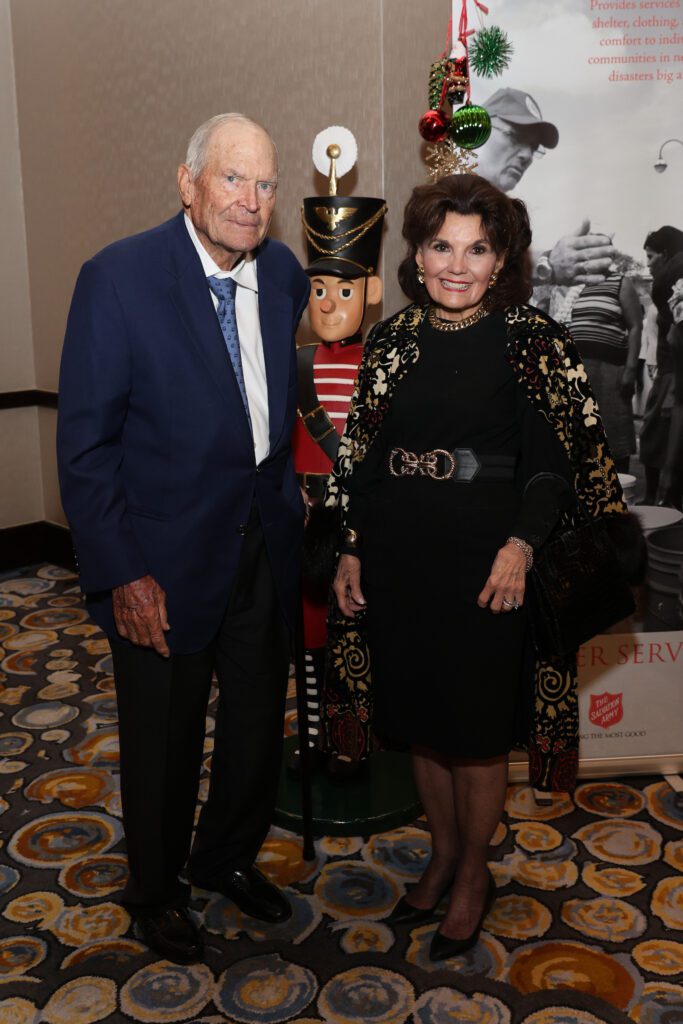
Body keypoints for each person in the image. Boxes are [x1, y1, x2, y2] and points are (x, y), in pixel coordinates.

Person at [327, 174, 627, 961]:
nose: (456, 265)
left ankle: (473, 875)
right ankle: (442, 854)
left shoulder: (531, 339)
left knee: (476, 733)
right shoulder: (389, 343)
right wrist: (352, 543)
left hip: (489, 565)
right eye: (440, 246)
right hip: (399, 560)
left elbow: (553, 463)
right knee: (422, 727)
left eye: (477, 249)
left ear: (500, 261)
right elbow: (358, 456)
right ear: (417, 255)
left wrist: (521, 545)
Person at [57, 113, 310, 963]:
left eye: (266, 184)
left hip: (261, 547)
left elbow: (269, 421)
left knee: (251, 726)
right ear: (188, 182)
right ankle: (155, 890)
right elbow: (87, 448)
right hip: (158, 565)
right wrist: (122, 572)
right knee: (163, 742)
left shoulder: (281, 275)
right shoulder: (119, 278)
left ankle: (225, 858)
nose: (250, 201)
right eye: (233, 179)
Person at [293, 180, 385, 779]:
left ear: (370, 292)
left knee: (356, 640)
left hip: (361, 525)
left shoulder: (384, 363)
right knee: (306, 641)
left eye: (344, 288)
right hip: (305, 521)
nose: (328, 303)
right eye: (318, 288)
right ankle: (311, 739)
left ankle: (353, 742)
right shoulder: (293, 362)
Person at [476, 88, 615, 294]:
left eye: (533, 147)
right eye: (514, 136)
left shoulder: (503, 213)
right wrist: (546, 264)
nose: (527, 155)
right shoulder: (444, 191)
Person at [569, 272, 642, 473]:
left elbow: (636, 326)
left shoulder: (621, 282)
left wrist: (631, 369)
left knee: (615, 438)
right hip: (581, 371)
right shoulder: (582, 285)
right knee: (585, 438)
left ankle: (619, 492)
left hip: (610, 371)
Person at [639, 226, 683, 508]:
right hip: (668, 373)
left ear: (666, 256)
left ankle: (669, 501)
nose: (647, 263)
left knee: (665, 437)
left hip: (673, 376)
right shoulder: (667, 296)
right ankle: (659, 497)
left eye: (651, 256)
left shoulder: (673, 285)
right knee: (656, 435)